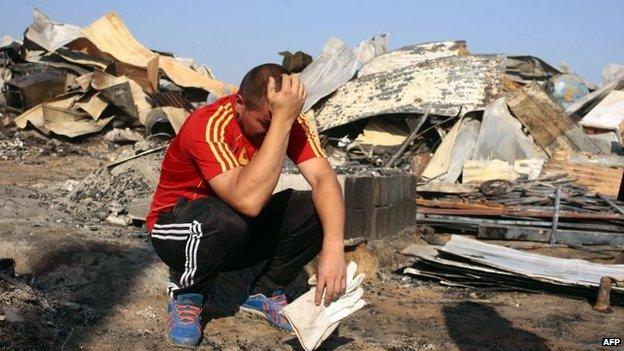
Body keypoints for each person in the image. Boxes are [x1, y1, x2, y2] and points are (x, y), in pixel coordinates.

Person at [145, 63, 347, 348]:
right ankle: (187, 294)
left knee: (316, 209)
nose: (270, 130)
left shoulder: (286, 120)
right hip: (179, 226)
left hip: (233, 228)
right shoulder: (208, 124)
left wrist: (334, 247)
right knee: (225, 220)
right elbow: (247, 202)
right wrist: (280, 125)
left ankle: (262, 292)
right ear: (240, 104)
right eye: (265, 122)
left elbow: (324, 178)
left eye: (281, 119)